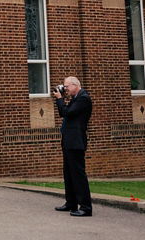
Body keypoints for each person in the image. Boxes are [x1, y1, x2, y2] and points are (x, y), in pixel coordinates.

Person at [54, 76, 93, 217]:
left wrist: (59, 98)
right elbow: (62, 113)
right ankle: (71, 203)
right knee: (69, 174)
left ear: (76, 85)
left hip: (76, 142)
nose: (65, 89)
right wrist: (61, 99)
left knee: (78, 175)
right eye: (64, 87)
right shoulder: (74, 99)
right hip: (69, 141)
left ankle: (85, 207)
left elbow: (67, 112)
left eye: (67, 87)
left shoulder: (83, 98)